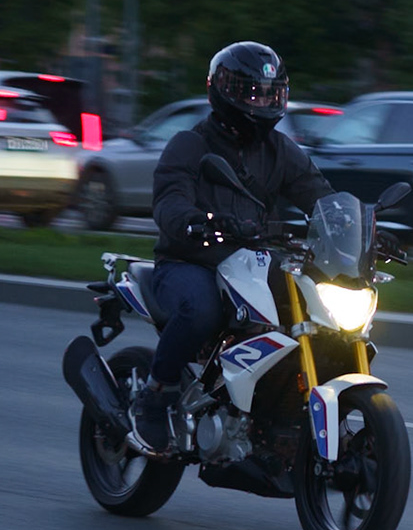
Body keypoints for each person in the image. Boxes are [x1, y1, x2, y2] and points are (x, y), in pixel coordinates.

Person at [133, 42, 334, 454]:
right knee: (201, 310)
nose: (262, 102)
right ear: (223, 92)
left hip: (251, 262)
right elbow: (169, 200)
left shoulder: (281, 151)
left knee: (312, 305)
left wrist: (356, 225)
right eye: (252, 93)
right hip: (190, 260)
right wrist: (194, 221)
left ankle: (278, 405)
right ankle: (155, 396)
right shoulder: (190, 145)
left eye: (270, 93)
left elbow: (321, 197)